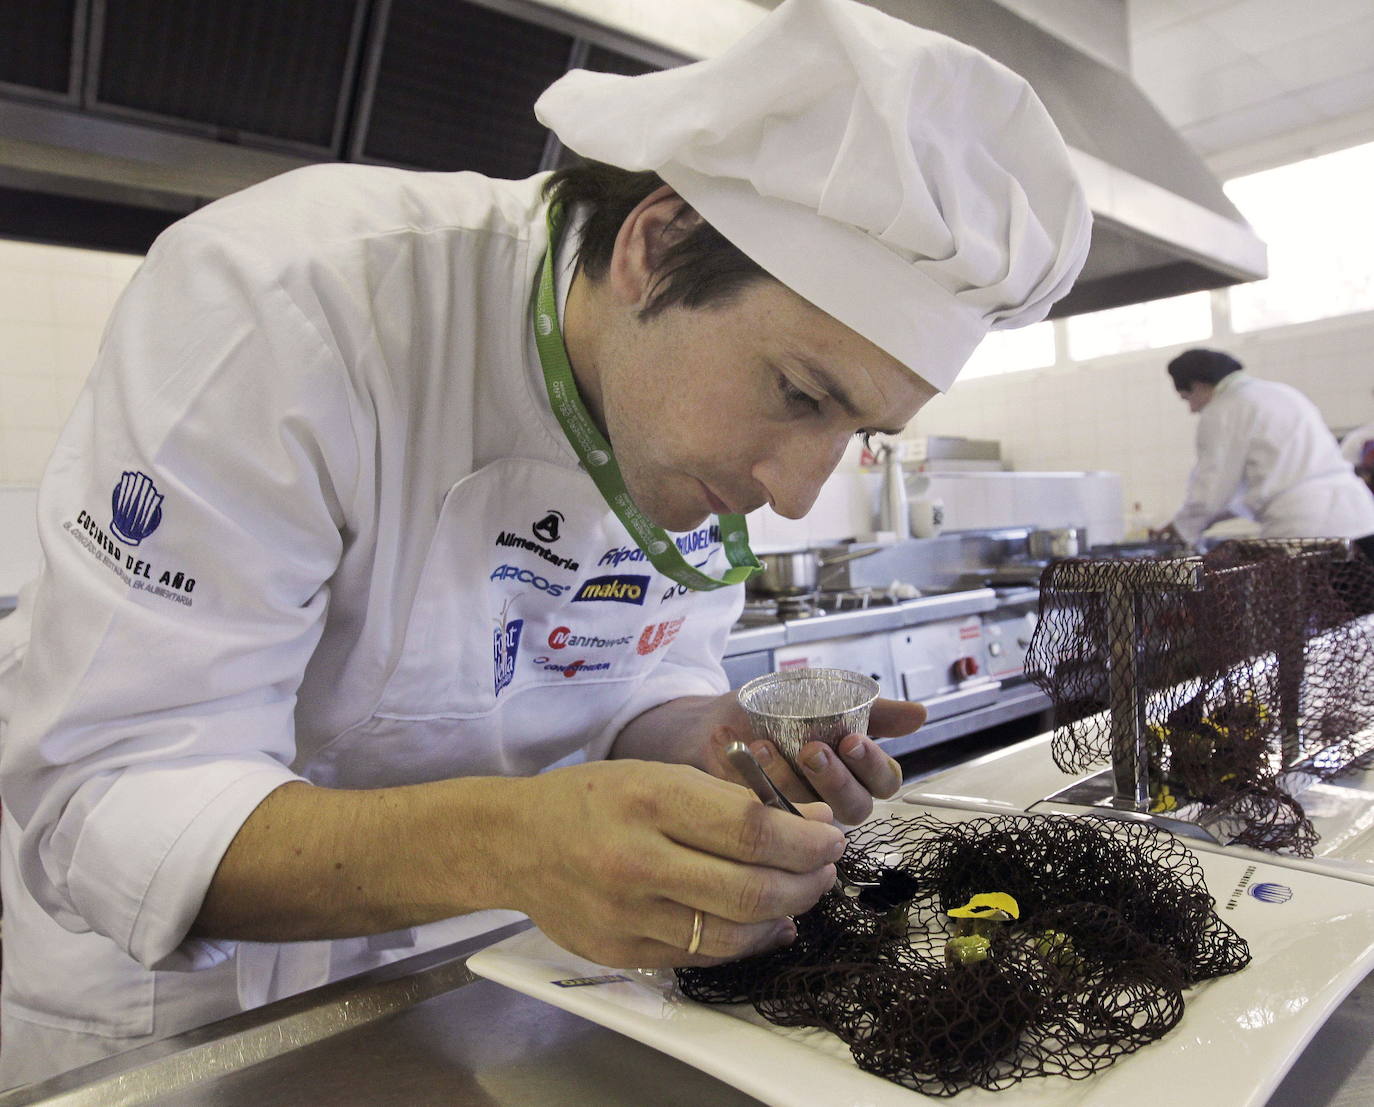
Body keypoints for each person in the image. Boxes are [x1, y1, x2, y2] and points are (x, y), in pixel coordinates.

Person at [0, 0, 1090, 1085]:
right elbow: (107, 788)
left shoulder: (693, 426)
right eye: (801, 394)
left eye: (860, 432)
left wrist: (704, 742)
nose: (797, 495)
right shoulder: (293, 301)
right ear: (654, 247)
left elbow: (634, 675)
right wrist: (510, 844)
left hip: (478, 974)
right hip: (190, 1018)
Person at [1153, 348, 1374, 561]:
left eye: (1187, 398)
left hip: (1307, 530)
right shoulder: (1282, 393)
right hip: (1362, 516)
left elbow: (1210, 492)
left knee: (1312, 599)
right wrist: (1187, 522)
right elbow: (1245, 495)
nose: (1192, 409)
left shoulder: (1223, 409)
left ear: (1198, 385)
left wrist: (1180, 529)